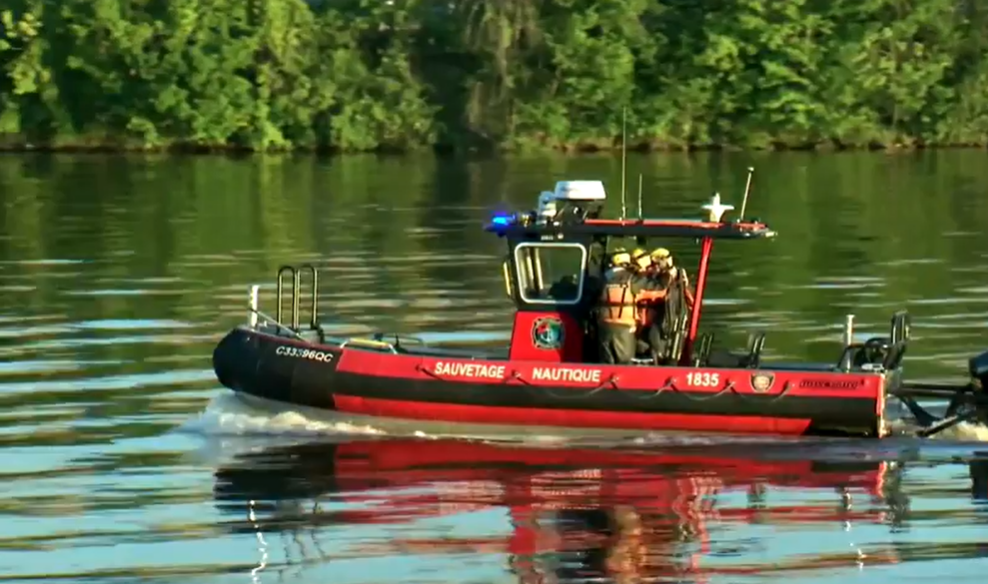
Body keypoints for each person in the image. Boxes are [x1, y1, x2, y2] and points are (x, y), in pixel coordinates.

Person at [596, 250, 665, 365]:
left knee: (606, 363)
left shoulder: (602, 279)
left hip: (604, 328)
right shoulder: (631, 279)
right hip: (624, 329)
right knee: (625, 364)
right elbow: (659, 288)